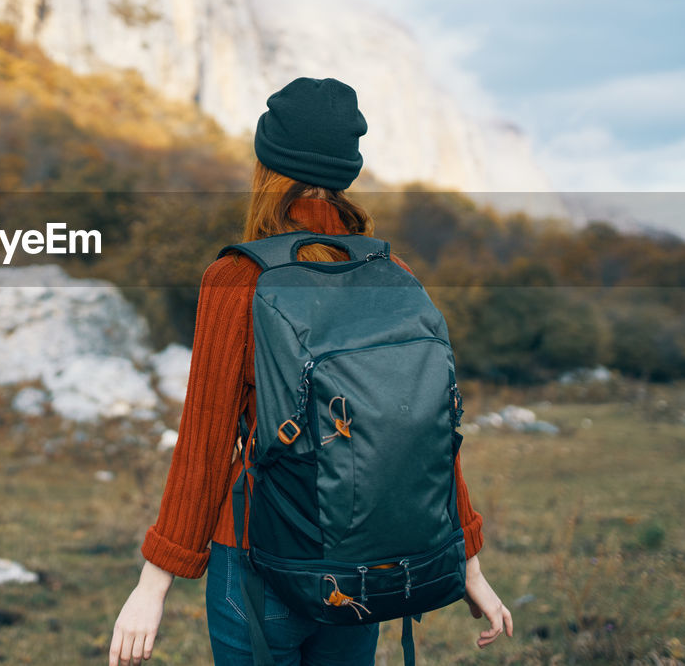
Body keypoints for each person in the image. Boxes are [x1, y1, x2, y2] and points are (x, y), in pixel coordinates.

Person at [109, 78, 513, 666]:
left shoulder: (237, 279)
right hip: (362, 566)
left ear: (266, 163)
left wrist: (152, 588)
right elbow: (425, 434)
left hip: (256, 562)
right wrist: (467, 561)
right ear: (347, 169)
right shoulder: (393, 272)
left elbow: (205, 443)